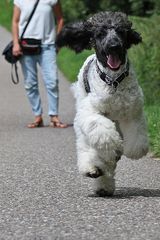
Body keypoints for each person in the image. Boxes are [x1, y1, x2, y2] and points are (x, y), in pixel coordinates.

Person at [12, 0, 68, 128]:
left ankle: (54, 116)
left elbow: (60, 19)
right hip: (26, 46)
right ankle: (38, 116)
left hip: (47, 46)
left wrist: (58, 42)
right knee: (30, 84)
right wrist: (15, 43)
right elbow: (15, 22)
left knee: (52, 81)